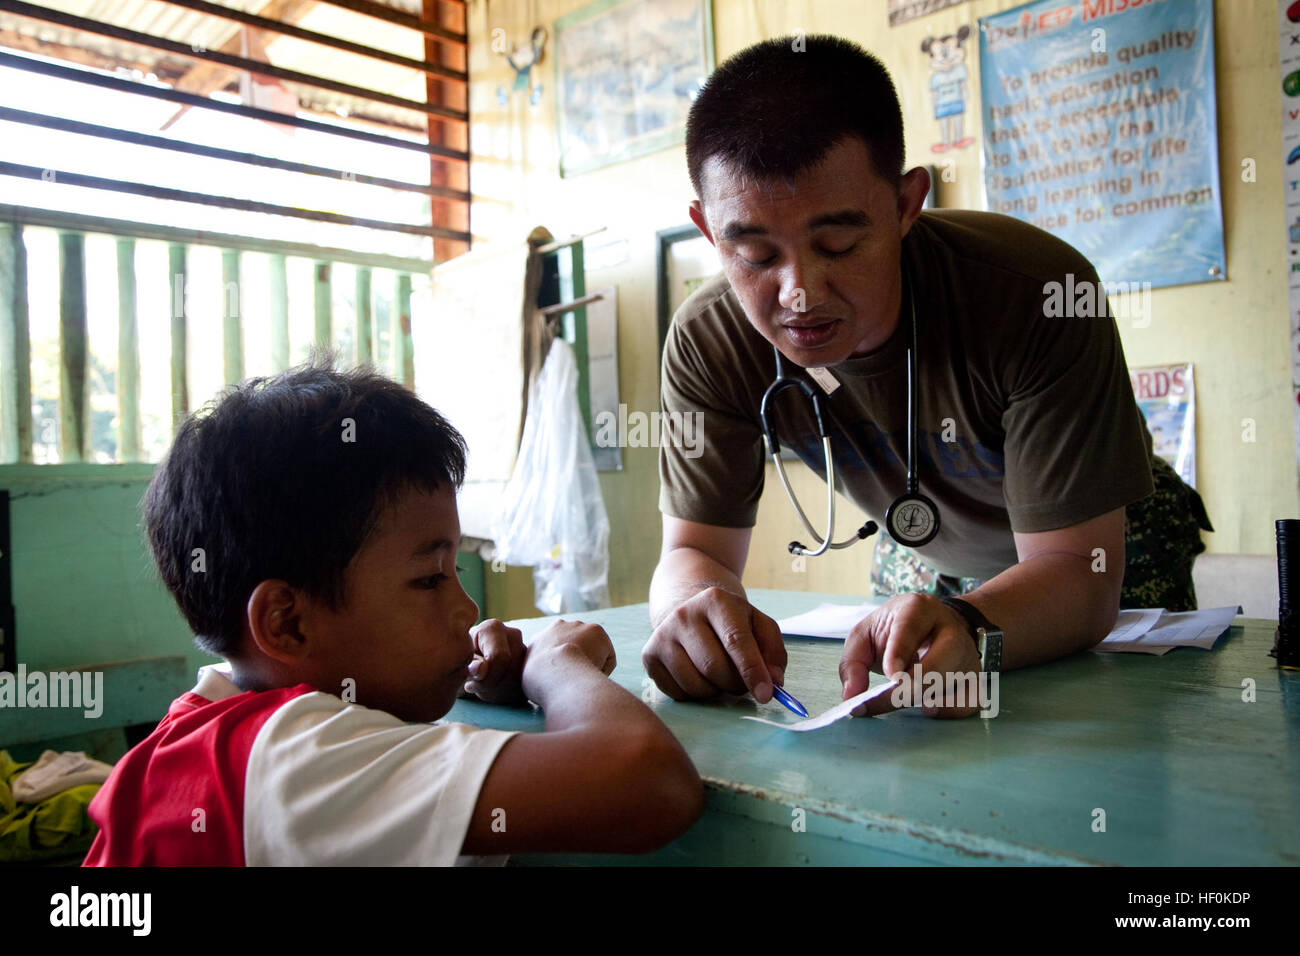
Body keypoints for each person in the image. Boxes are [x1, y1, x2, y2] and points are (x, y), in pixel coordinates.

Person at [645, 35, 1211, 718]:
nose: (799, 292)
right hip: (925, 541)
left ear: (908, 203)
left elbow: (1078, 577)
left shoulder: (1040, 293)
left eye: (839, 244)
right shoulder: (710, 340)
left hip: (1100, 538)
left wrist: (972, 627)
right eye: (755, 253)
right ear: (708, 231)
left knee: (1114, 732)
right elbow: (693, 551)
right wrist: (689, 612)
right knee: (909, 719)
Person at [84, 362, 702, 865]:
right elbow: (648, 786)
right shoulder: (299, 763)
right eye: (429, 578)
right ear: (287, 623)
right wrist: (559, 666)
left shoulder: (204, 728)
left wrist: (460, 676)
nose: (466, 609)